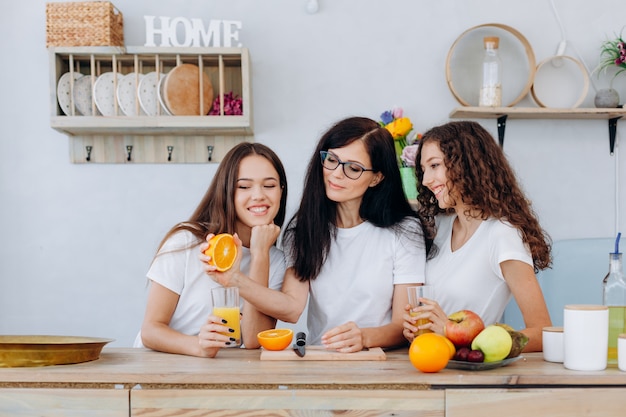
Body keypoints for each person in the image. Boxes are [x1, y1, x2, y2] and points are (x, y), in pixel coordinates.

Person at [205, 116, 432, 352]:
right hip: (321, 362)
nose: (336, 174)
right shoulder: (304, 230)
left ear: (377, 177)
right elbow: (292, 308)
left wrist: (364, 337)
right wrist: (233, 280)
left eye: (353, 168)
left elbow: (403, 325)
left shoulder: (404, 231)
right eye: (332, 160)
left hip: (381, 361)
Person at [402, 121, 552, 352]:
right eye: (423, 170)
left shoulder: (502, 235)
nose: (426, 180)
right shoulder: (441, 227)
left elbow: (542, 332)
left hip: (470, 372)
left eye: (435, 165)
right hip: (430, 361)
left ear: (467, 165)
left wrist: (457, 334)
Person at [134, 142, 288, 357]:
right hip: (164, 370)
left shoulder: (276, 260)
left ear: (281, 191)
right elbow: (151, 330)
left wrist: (260, 253)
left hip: (222, 376)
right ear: (226, 191)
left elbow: (254, 339)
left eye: (269, 185)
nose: (259, 195)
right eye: (244, 187)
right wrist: (200, 346)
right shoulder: (186, 242)